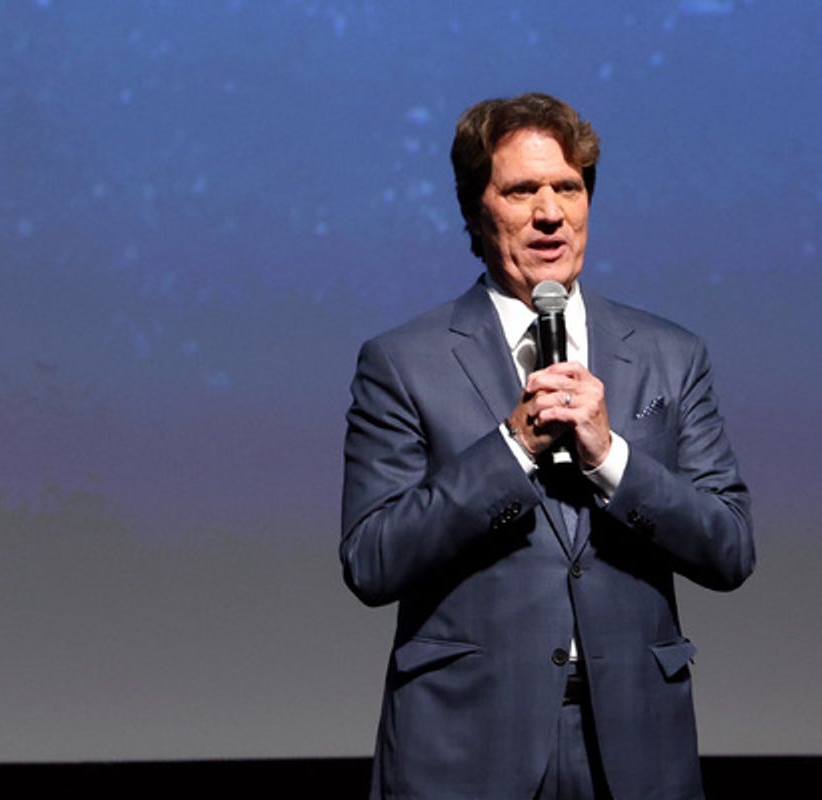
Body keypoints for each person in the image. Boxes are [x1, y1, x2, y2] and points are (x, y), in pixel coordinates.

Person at [341, 92, 754, 800]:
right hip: (465, 746)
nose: (550, 213)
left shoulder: (670, 355)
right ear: (476, 208)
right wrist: (510, 447)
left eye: (567, 187)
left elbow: (729, 549)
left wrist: (610, 459)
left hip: (634, 747)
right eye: (521, 190)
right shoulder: (403, 361)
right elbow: (372, 560)